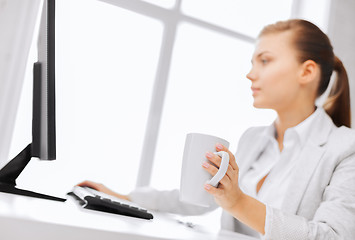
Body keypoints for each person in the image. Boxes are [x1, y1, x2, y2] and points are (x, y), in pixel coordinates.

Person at [78, 19, 355, 239]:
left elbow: (332, 236)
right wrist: (125, 198)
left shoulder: (344, 149)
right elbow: (201, 197)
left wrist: (237, 202)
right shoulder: (253, 139)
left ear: (306, 72)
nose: (250, 73)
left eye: (265, 60)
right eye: (252, 63)